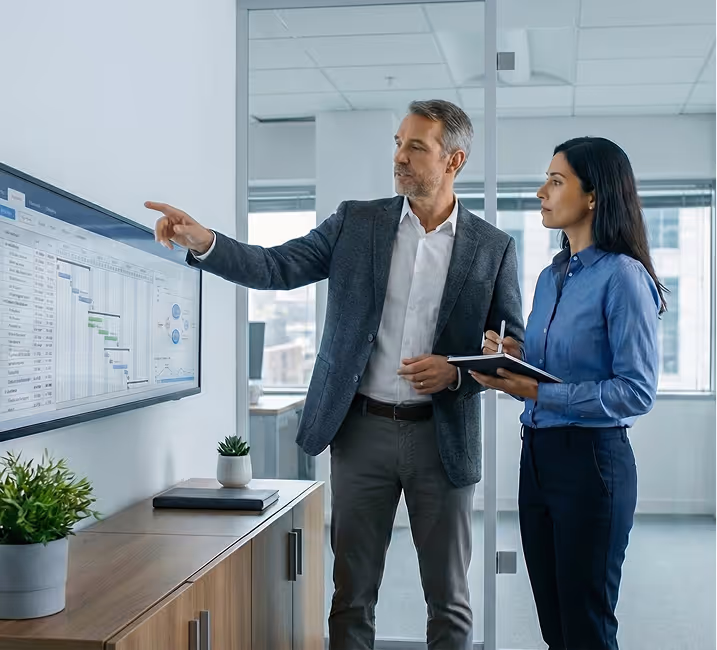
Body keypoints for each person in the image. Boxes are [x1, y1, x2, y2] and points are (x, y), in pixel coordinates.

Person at [148, 99, 523, 650]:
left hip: (442, 440)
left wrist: (457, 375)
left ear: (454, 160)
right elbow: (276, 266)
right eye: (398, 142)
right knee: (351, 594)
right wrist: (205, 242)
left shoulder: (493, 247)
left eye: (416, 147)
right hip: (360, 431)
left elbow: (509, 350)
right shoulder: (357, 221)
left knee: (449, 599)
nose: (399, 156)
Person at [472, 137, 664, 650]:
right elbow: (548, 374)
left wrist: (536, 389)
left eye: (556, 182)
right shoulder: (549, 278)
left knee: (586, 628)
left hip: (592, 464)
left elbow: (636, 392)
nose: (541, 192)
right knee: (555, 626)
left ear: (594, 196)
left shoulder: (623, 278)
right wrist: (510, 357)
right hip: (536, 459)